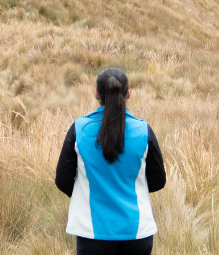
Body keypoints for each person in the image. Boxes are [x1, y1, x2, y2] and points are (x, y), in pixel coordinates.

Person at [56, 68, 165, 254]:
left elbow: (63, 180)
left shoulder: (79, 129)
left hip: (91, 233)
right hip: (137, 232)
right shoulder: (143, 131)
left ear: (97, 94)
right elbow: (158, 180)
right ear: (128, 93)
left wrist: (87, 193)